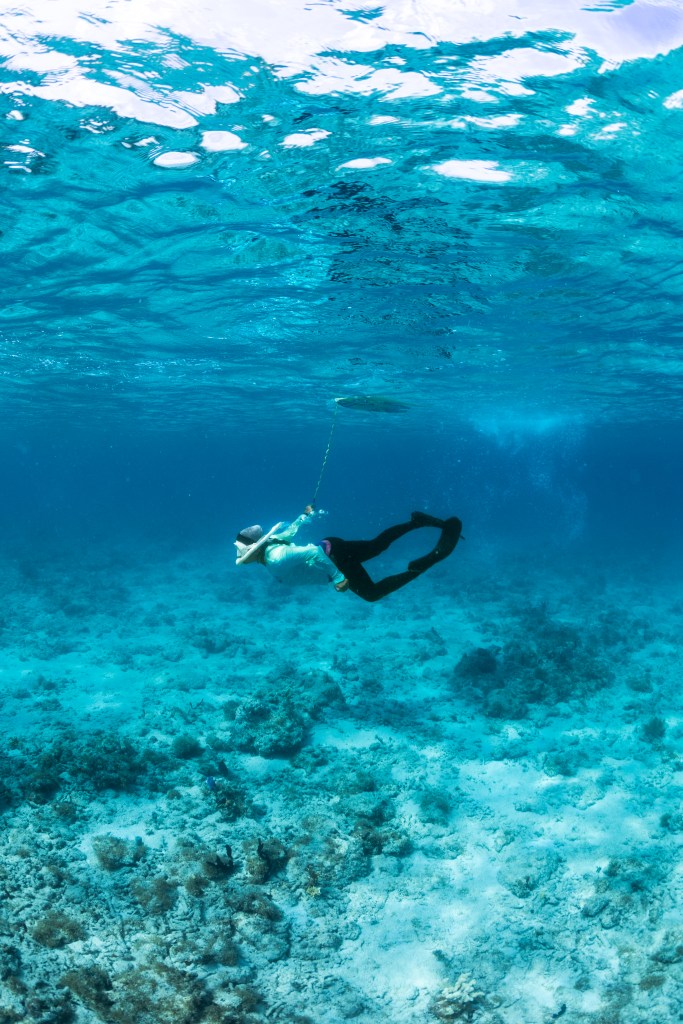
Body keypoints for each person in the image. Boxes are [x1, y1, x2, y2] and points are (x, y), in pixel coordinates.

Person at [234, 507, 462, 603]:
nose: (240, 554)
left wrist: (337, 577)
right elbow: (289, 532)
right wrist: (304, 516)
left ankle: (419, 567)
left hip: (336, 559)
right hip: (333, 547)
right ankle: (416, 522)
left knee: (371, 594)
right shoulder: (273, 547)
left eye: (242, 550)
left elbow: (312, 552)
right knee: (377, 546)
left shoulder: (276, 557)